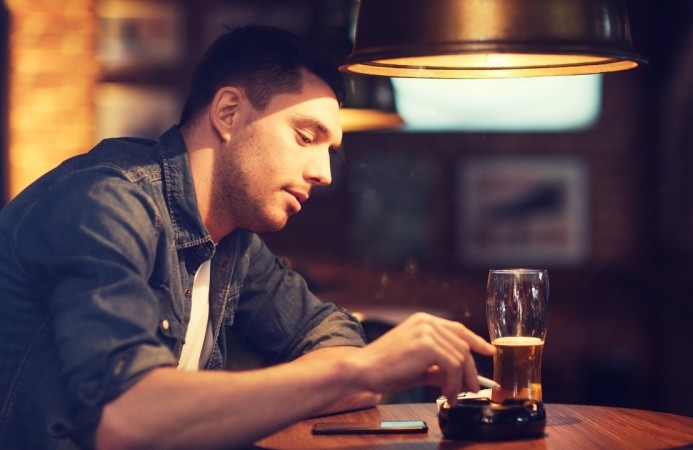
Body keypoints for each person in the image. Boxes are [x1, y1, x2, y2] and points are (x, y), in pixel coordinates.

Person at [0, 25, 494, 449]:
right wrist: (360, 371)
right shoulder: (104, 204)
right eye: (306, 137)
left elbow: (335, 340)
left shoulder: (233, 242)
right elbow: (125, 419)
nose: (323, 172)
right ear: (229, 113)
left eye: (332, 151)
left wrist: (360, 369)